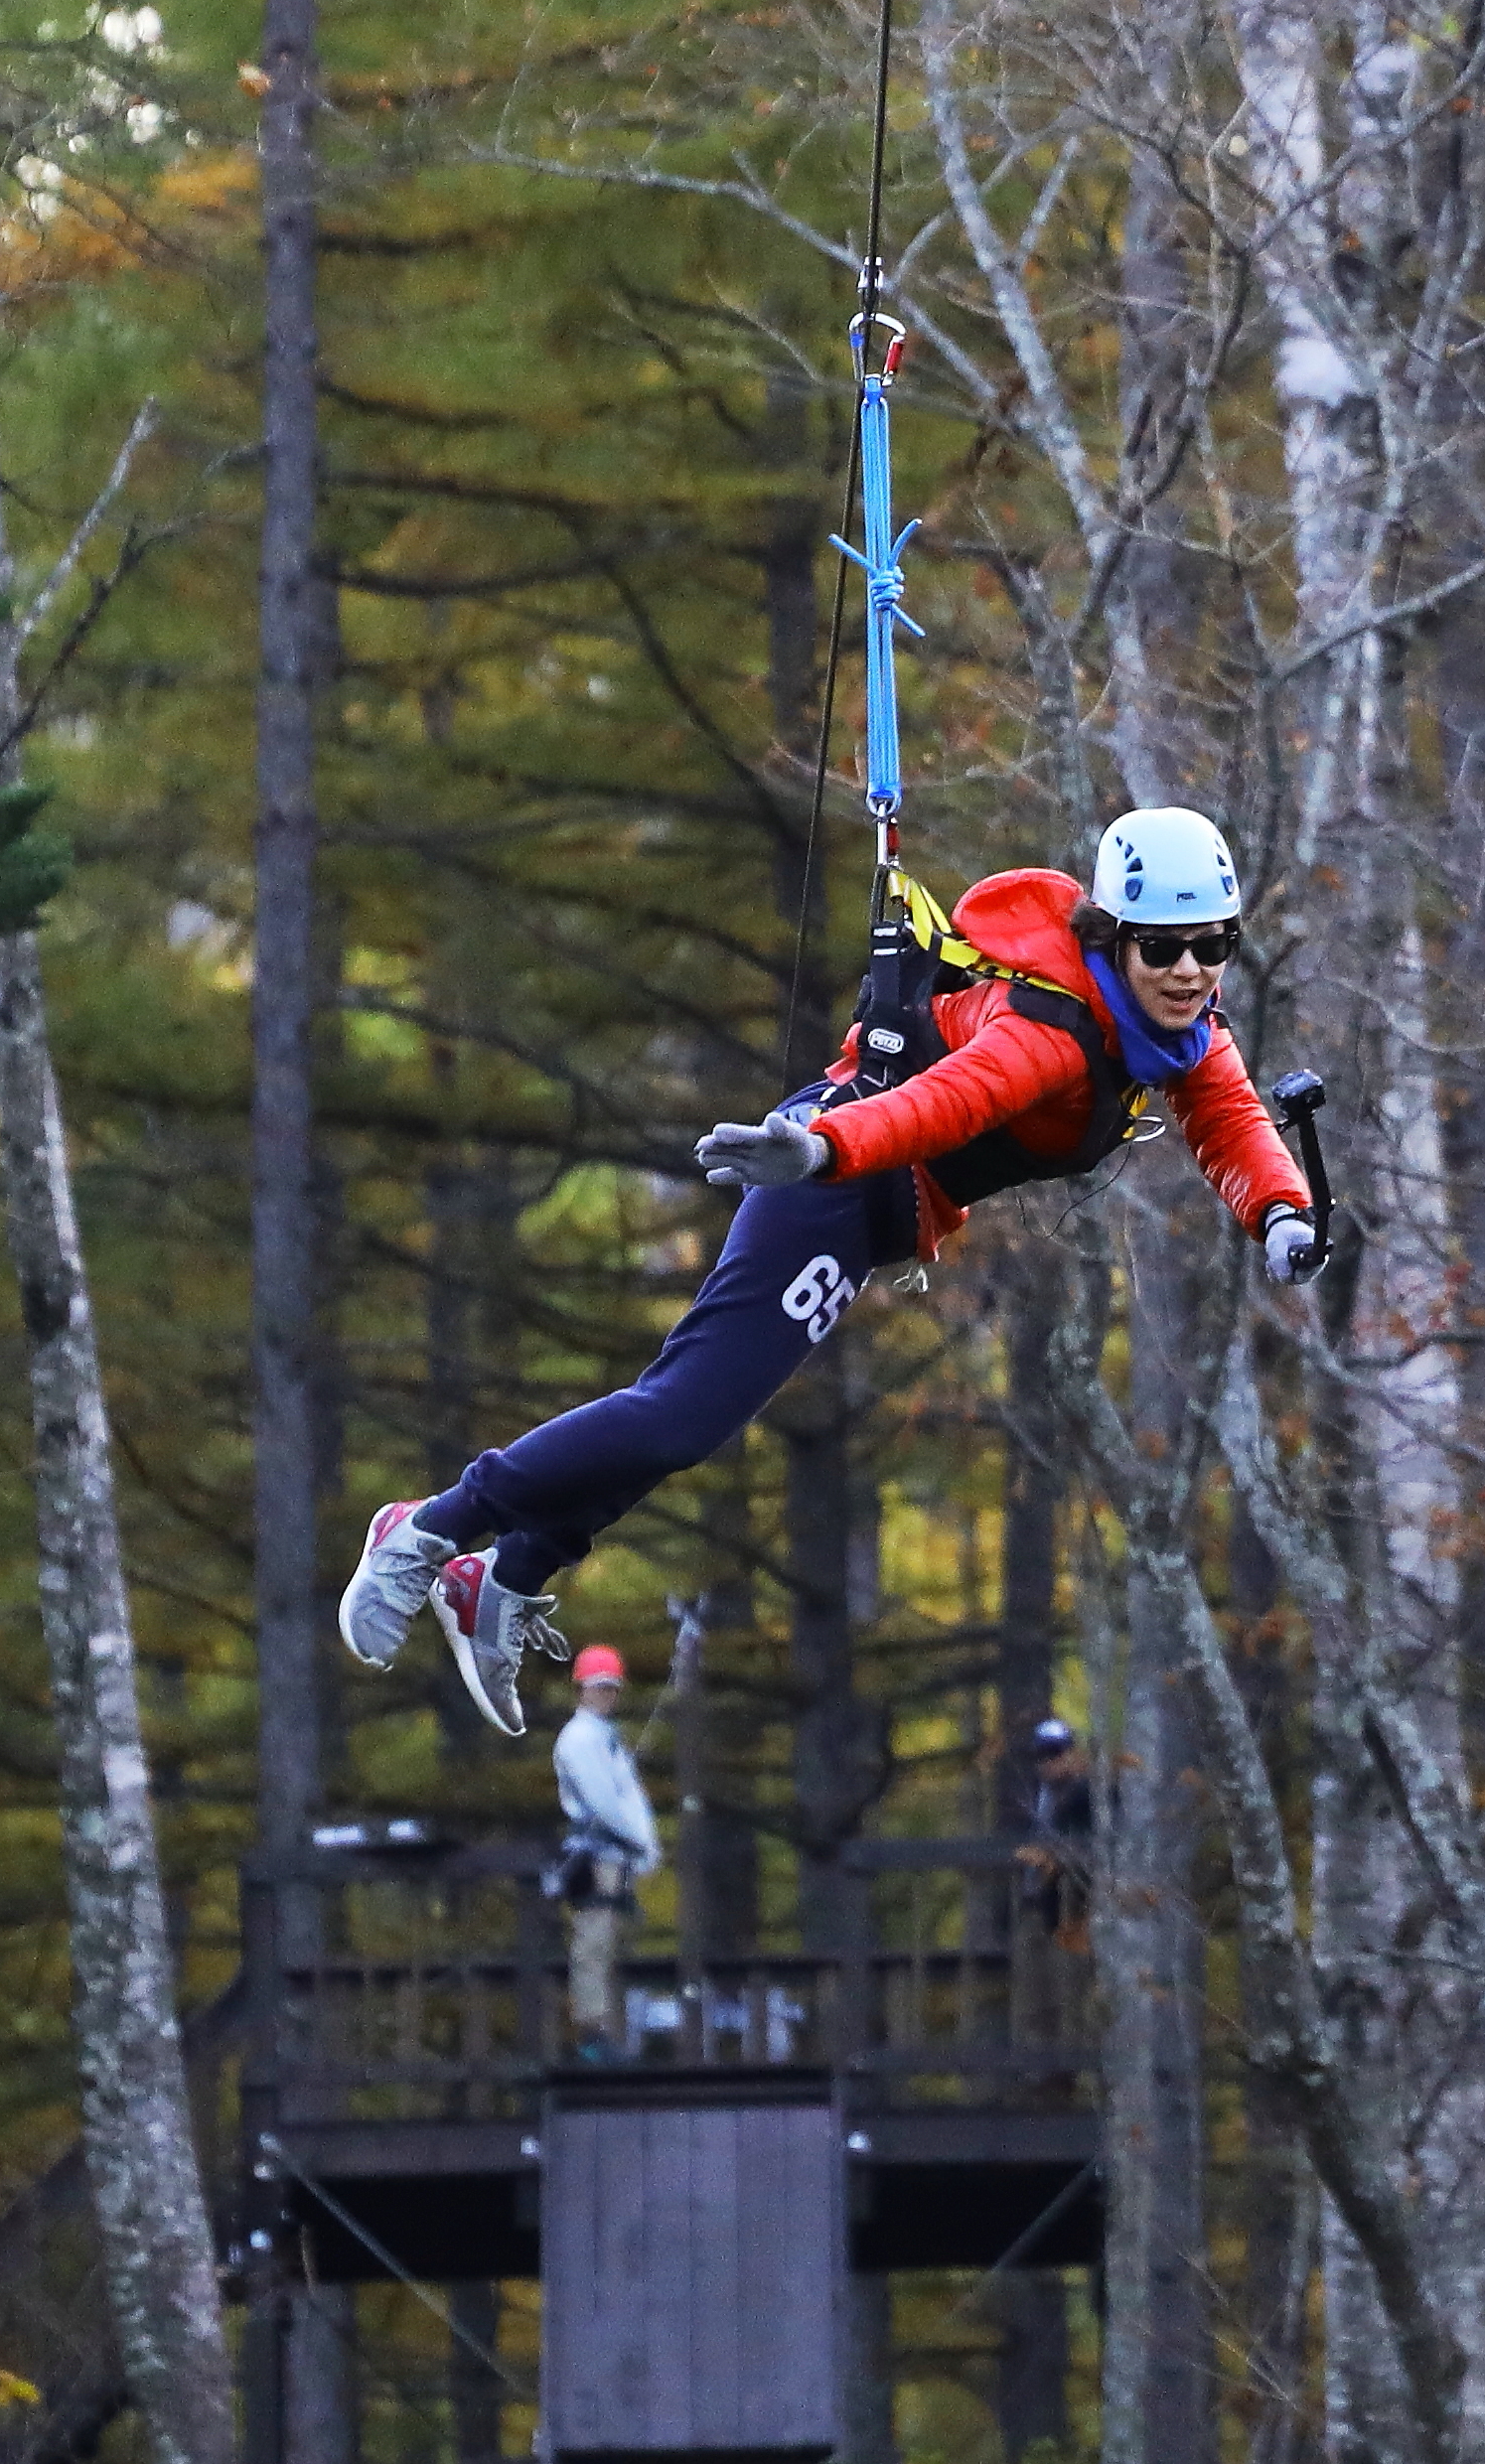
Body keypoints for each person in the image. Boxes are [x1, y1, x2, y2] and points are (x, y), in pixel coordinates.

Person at [341, 805, 1326, 1733]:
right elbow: (941, 1103)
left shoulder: (1176, 1030)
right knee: (685, 1406)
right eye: (1165, 945)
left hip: (869, 1203)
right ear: (1111, 936)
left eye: (1216, 943)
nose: (1192, 968)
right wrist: (820, 1149)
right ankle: (428, 1529)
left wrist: (1282, 1212)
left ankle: (507, 1571)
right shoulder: (1052, 1031)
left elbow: (1232, 1118)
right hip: (838, 1175)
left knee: (694, 1415)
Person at [553, 1646, 659, 2055]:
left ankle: (612, 2032)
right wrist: (638, 1839)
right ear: (583, 1689)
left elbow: (629, 1796)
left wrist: (644, 1845)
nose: (606, 1695)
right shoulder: (580, 1739)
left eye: (612, 1688)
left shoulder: (606, 1738)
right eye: (599, 1687)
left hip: (617, 1857)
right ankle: (592, 2034)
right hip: (597, 1855)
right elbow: (604, 1802)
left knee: (613, 1944)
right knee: (594, 1943)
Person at [1012, 1716, 1095, 1950]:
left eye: (1056, 1753)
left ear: (1071, 1753)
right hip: (1044, 1903)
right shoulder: (1033, 1796)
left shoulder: (1090, 1791)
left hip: (1083, 1899)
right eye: (1042, 1755)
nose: (1049, 1762)